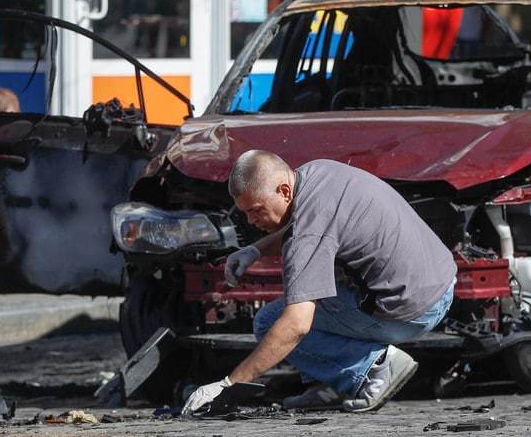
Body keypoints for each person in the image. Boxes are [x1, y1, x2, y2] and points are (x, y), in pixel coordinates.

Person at [182, 151, 457, 414]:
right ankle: (336, 384)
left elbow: (296, 325)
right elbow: (310, 227)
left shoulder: (307, 231)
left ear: (284, 191)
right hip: (438, 285)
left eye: (256, 210)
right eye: (245, 213)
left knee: (270, 322)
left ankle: (376, 366)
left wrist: (229, 385)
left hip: (414, 311)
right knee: (320, 294)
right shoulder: (317, 172)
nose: (251, 221)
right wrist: (255, 250)